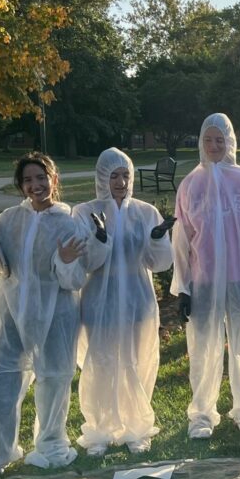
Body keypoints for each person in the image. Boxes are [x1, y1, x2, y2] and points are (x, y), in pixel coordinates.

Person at [0, 152, 97, 479]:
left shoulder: (69, 224)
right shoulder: (8, 219)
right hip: (10, 311)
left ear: (53, 180)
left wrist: (65, 259)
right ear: (21, 186)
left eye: (41, 177)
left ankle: (50, 445)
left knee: (54, 377)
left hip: (56, 313)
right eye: (27, 180)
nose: (35, 185)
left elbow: (75, 279)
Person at [171, 113, 240, 437]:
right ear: (201, 143)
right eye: (208, 140)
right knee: (202, 347)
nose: (214, 146)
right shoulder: (190, 185)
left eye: (220, 140)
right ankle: (201, 414)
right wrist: (183, 286)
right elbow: (182, 239)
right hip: (203, 279)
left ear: (230, 142)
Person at [73, 148, 175, 455]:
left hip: (136, 297)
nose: (120, 182)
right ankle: (100, 430)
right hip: (98, 299)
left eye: (126, 175)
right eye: (114, 176)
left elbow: (158, 264)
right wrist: (99, 240)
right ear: (102, 177)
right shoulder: (84, 212)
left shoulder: (144, 212)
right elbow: (85, 264)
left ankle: (136, 427)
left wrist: (157, 239)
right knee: (101, 362)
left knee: (137, 359)